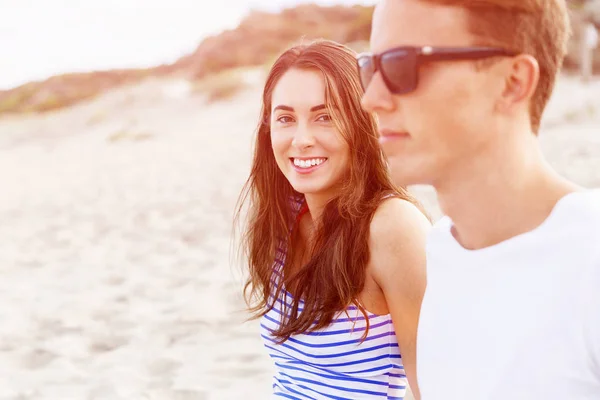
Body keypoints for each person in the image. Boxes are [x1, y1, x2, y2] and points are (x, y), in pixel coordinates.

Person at [358, 0, 600, 399]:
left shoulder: (589, 260)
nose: (371, 99)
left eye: (403, 65)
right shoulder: (441, 250)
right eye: (370, 68)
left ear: (512, 82)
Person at [235, 39, 430, 399]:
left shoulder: (392, 226)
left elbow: (435, 386)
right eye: (286, 119)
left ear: (360, 123)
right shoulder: (285, 218)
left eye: (325, 117)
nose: (302, 139)